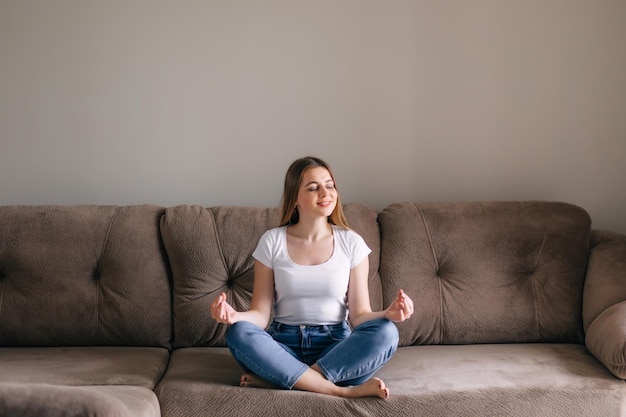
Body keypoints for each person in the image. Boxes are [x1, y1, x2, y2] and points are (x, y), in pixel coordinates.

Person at [210, 156, 413, 399]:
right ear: (295, 197)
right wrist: (234, 316)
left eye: (329, 185)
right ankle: (342, 392)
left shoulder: (351, 243)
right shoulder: (272, 241)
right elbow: (261, 315)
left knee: (387, 332)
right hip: (282, 346)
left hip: (336, 349)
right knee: (238, 332)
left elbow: (359, 316)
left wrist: (387, 314)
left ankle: (286, 378)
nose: (325, 193)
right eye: (313, 187)